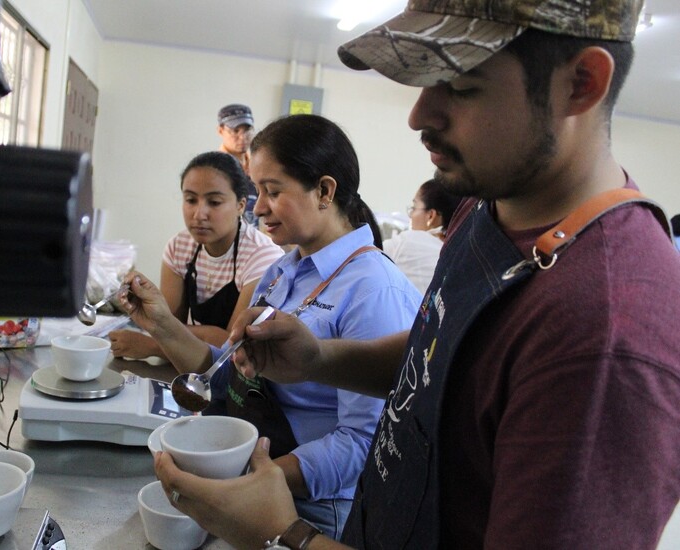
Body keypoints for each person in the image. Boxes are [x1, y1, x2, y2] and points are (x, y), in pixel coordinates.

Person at [153, 1, 680, 549]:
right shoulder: (487, 209)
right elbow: (441, 356)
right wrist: (319, 359)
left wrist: (284, 533)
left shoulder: (609, 330)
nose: (419, 115)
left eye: (462, 85)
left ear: (581, 83)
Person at [119, 114, 422, 538]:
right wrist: (161, 324)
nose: (258, 207)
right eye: (257, 191)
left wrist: (250, 480)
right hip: (256, 472)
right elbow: (226, 375)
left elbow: (365, 442)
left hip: (310, 507)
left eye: (272, 191)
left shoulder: (373, 290)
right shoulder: (283, 271)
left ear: (324, 191)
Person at [108, 151, 283, 358]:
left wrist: (152, 345)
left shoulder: (262, 257)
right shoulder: (179, 247)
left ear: (240, 206)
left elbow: (232, 344)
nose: (199, 215)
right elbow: (167, 325)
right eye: (191, 200)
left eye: (214, 202)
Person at [382, 178, 462, 294]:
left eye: (414, 208)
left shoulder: (409, 241)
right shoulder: (460, 254)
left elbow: (366, 254)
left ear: (431, 216)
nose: (411, 215)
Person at [218, 103, 259, 226]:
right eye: (235, 131)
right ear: (220, 130)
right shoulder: (215, 168)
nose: (242, 137)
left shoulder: (256, 165)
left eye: (247, 130)